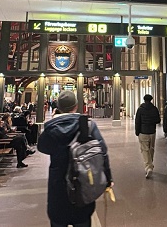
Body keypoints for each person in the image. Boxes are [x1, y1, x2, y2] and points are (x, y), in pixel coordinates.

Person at [38, 91, 113, 227]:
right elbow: (102, 152)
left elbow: (42, 147)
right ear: (76, 106)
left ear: (58, 106)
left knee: (58, 220)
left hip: (58, 185)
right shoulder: (88, 125)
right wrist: (108, 178)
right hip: (82, 182)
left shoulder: (52, 127)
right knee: (82, 219)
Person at [134, 94, 160, 178]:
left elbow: (137, 121)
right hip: (152, 132)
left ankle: (148, 167)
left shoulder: (140, 109)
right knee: (151, 149)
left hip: (143, 132)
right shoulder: (154, 109)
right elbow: (158, 120)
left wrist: (137, 132)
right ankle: (150, 165)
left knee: (145, 150)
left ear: (144, 100)